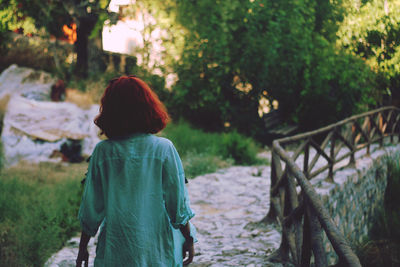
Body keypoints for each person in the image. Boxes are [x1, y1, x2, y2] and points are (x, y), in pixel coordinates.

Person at [76, 76, 196, 267]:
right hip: (154, 250)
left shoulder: (103, 152)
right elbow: (177, 205)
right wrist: (188, 239)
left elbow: (91, 208)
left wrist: (83, 248)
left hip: (115, 250)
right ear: (148, 107)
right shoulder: (163, 149)